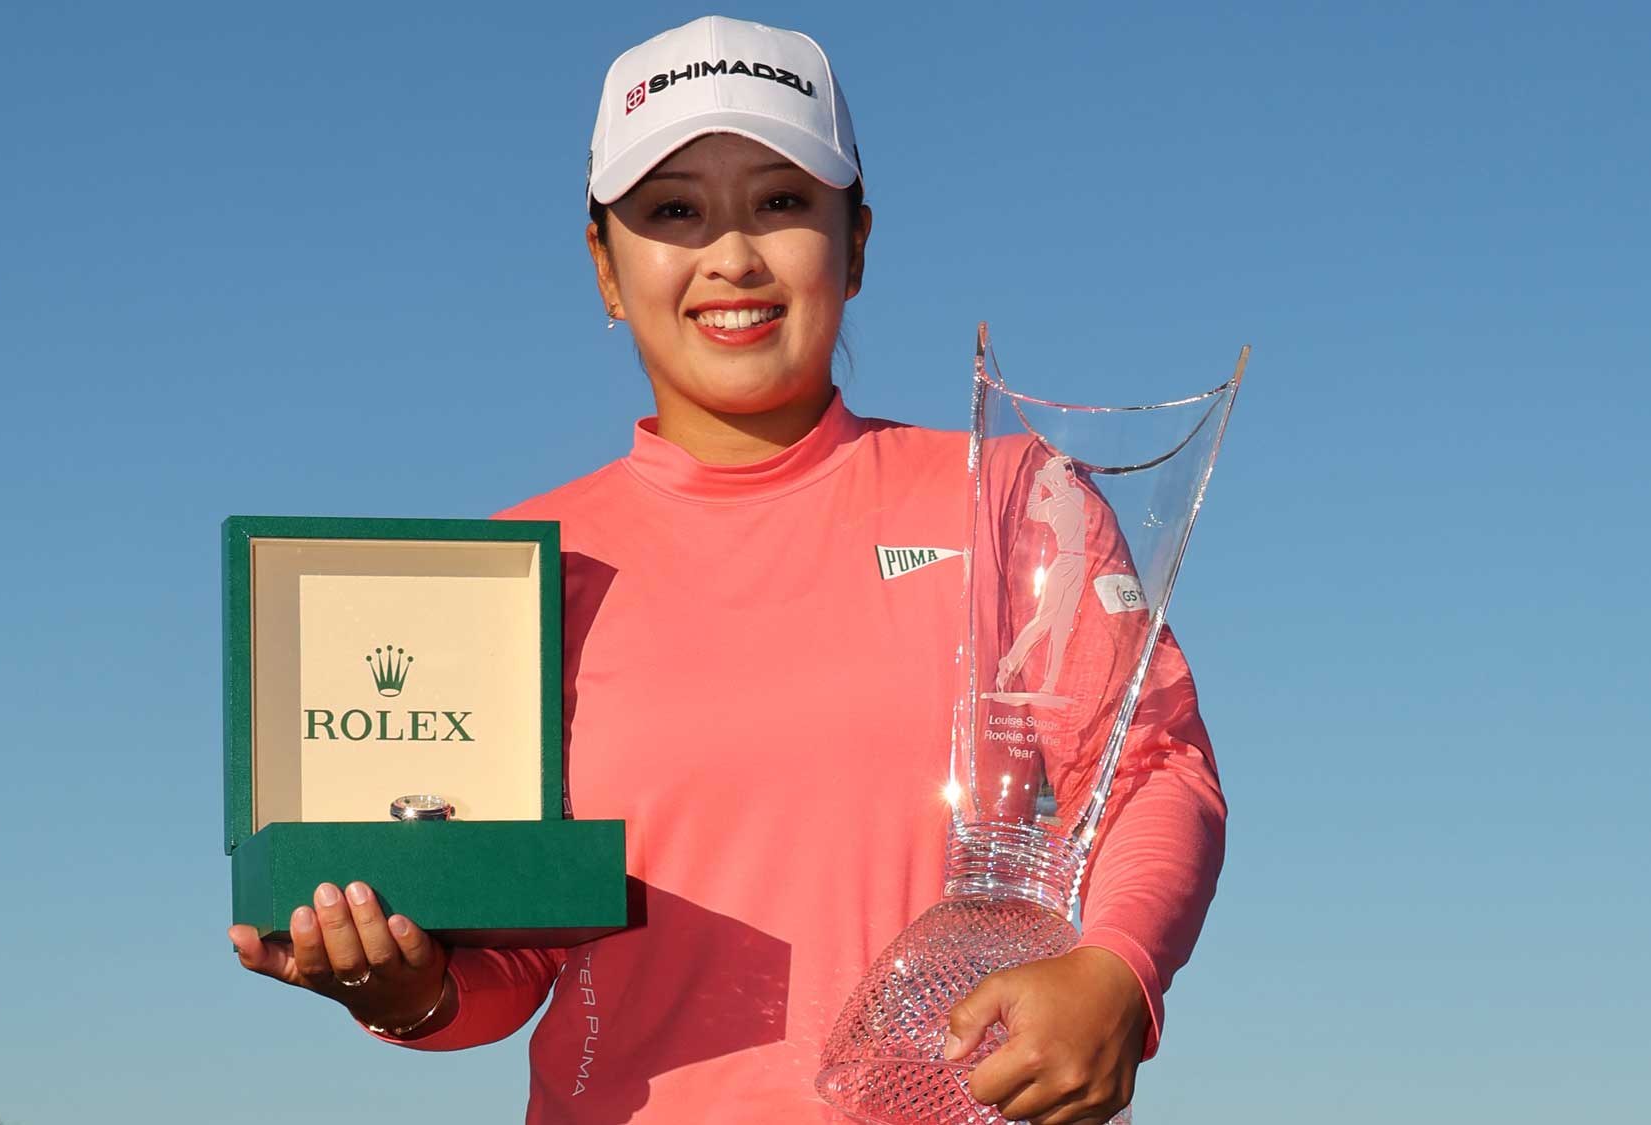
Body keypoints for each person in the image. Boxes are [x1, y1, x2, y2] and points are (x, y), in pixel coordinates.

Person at [226, 16, 1225, 1124]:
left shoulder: (1007, 494)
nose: (732, 256)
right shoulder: (519, 574)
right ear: (605, 267)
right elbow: (514, 963)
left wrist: (1115, 975)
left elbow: (1154, 771)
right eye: (672, 213)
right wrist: (407, 988)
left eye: (782, 202)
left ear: (855, 243)